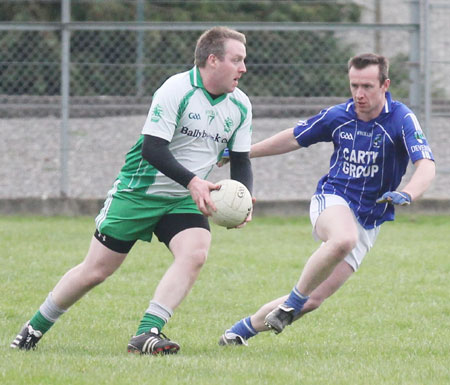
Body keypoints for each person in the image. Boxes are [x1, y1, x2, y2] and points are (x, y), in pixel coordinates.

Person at [10, 26, 254, 355]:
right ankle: (34, 328)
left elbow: (241, 161)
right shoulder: (176, 89)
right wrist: (194, 180)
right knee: (95, 271)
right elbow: (152, 149)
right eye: (237, 60)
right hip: (139, 192)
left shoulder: (240, 105)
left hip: (182, 198)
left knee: (195, 253)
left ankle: (147, 332)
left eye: (244, 61)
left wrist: (244, 200)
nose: (243, 68)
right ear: (213, 60)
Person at [218, 53, 435, 346]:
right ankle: (292, 302)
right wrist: (243, 152)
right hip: (332, 200)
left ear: (385, 85)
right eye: (354, 85)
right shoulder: (338, 116)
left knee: (313, 300)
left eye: (367, 86)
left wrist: (408, 193)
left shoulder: (401, 118)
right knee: (343, 239)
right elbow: (293, 137)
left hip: (369, 221)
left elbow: (426, 164)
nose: (359, 94)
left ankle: (239, 332)